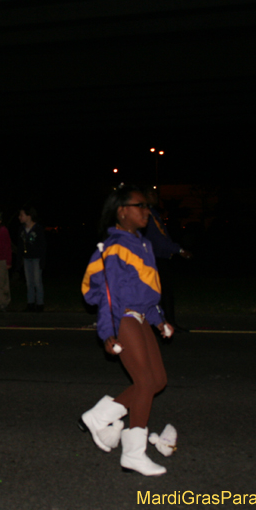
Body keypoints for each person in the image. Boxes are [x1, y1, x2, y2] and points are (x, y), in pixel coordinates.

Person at [79, 184, 174, 476]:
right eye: (140, 206)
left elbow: (145, 290)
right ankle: (133, 453)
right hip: (123, 318)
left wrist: (159, 320)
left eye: (147, 206)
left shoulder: (142, 244)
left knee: (158, 380)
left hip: (142, 317)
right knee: (145, 382)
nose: (147, 211)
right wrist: (108, 333)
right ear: (122, 212)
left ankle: (100, 416)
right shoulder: (114, 247)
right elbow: (108, 296)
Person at [142, 187, 191, 331]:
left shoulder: (154, 213)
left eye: (156, 194)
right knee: (164, 292)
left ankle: (162, 323)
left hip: (158, 256)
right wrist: (179, 250)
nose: (155, 196)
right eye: (151, 194)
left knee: (160, 292)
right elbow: (158, 238)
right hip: (154, 258)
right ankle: (167, 323)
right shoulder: (147, 214)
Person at [18, 204, 46, 312]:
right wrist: (19, 260)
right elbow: (20, 246)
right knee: (29, 282)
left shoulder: (38, 228)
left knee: (37, 281)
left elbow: (43, 245)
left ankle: (40, 304)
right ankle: (30, 303)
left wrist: (42, 261)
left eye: (21, 215)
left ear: (29, 216)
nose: (20, 217)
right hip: (26, 259)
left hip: (36, 259)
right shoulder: (21, 229)